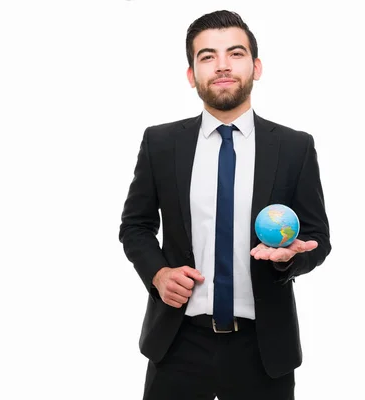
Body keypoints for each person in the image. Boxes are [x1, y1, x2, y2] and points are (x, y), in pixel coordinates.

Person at [118, 10, 331, 400]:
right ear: (191, 75)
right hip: (178, 343)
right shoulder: (161, 144)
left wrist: (287, 258)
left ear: (256, 66)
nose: (222, 66)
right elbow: (135, 226)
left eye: (235, 53)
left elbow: (317, 237)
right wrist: (159, 274)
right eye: (207, 56)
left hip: (264, 349)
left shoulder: (294, 147)